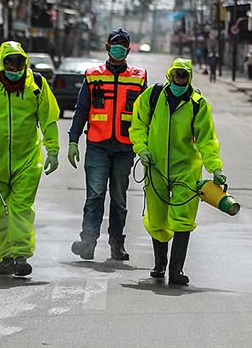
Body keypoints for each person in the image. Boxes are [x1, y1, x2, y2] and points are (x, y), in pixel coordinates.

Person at [129, 58, 226, 285]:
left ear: (189, 78)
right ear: (170, 75)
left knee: (183, 218)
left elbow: (207, 141)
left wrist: (216, 168)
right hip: (155, 166)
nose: (179, 79)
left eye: (184, 75)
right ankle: (159, 264)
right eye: (177, 74)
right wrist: (141, 149)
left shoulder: (197, 104)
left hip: (186, 170)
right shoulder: (153, 96)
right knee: (157, 218)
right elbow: (138, 124)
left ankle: (176, 271)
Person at [0, 41, 60, 277]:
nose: (14, 68)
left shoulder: (36, 86)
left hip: (27, 159)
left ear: (25, 63)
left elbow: (48, 120)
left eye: (18, 63)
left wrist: (53, 149)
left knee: (20, 208)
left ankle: (20, 255)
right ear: (2, 64)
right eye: (9, 63)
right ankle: (5, 257)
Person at [67, 28, 147, 261]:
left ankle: (117, 243)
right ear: (107, 47)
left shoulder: (139, 77)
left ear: (129, 49)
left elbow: (146, 115)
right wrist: (73, 140)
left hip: (125, 148)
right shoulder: (93, 75)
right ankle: (88, 242)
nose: (119, 48)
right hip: (97, 145)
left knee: (119, 199)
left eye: (123, 45)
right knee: (95, 195)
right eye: (115, 44)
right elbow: (82, 110)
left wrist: (146, 146)